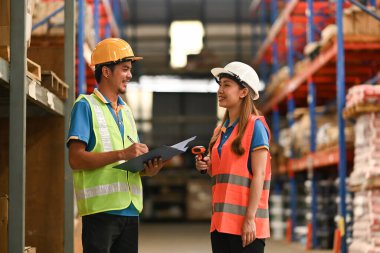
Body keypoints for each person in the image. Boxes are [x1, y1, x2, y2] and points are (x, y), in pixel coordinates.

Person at [67, 38, 164, 253]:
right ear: (107, 72)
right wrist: (122, 153)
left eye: (130, 70)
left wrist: (148, 169)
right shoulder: (85, 106)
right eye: (125, 69)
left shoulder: (126, 111)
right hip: (101, 211)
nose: (129, 75)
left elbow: (129, 162)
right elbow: (75, 159)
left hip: (130, 210)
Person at [195, 62, 271, 253]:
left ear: (243, 92)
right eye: (219, 85)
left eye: (227, 85)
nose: (220, 90)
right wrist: (206, 165)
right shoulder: (220, 131)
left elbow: (259, 175)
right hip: (220, 224)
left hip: (246, 226)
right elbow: (224, 172)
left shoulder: (256, 127)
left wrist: (250, 219)